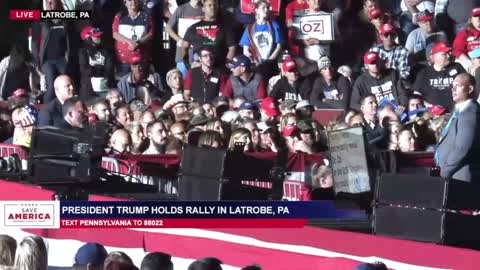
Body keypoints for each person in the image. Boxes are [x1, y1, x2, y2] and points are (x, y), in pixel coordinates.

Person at [435, 73, 480, 182]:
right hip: (453, 175)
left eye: (458, 86)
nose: (453, 89)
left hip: (459, 177)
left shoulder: (470, 113)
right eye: (452, 86)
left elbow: (462, 148)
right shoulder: (460, 112)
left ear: (469, 89)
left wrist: (444, 171)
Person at [31, 0, 74, 104]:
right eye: (47, 2)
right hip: (47, 61)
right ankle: (48, 111)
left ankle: (66, 108)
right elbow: (35, 42)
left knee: (65, 85)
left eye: (52, 2)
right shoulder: (40, 19)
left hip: (62, 59)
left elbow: (69, 40)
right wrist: (36, 61)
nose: (49, 4)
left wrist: (68, 57)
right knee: (50, 87)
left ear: (57, 3)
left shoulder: (65, 19)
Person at [182, 0, 236, 69]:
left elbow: (232, 48)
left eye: (215, 5)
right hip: (199, 68)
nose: (212, 7)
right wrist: (187, 63)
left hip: (219, 68)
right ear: (203, 9)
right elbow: (184, 45)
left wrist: (227, 63)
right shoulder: (193, 27)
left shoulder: (225, 27)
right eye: (209, 5)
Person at [413, 41, 465, 110]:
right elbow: (416, 95)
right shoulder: (424, 73)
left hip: (455, 110)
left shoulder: (457, 67)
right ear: (434, 57)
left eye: (449, 53)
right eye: (444, 54)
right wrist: (430, 107)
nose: (448, 56)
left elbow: (466, 86)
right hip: (431, 112)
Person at [239, 0, 284, 79]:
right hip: (255, 65)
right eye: (263, 8)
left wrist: (268, 62)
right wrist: (253, 61)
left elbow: (278, 47)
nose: (266, 10)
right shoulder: (250, 28)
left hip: (270, 64)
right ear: (256, 10)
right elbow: (245, 51)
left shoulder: (274, 25)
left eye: (267, 8)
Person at [112, 0, 154, 76]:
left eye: (135, 0)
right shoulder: (119, 16)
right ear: (125, 2)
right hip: (124, 59)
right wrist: (130, 42)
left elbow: (150, 33)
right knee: (125, 83)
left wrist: (138, 42)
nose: (133, 2)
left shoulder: (146, 15)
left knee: (142, 84)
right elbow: (115, 33)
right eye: (130, 0)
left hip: (141, 58)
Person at [165, 0, 204, 78]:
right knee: (182, 84)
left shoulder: (205, 9)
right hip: (182, 56)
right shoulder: (181, 9)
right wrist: (180, 41)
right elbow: (168, 28)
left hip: (201, 57)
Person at [78, 26, 115, 99]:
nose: (99, 37)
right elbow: (85, 70)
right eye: (95, 36)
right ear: (88, 38)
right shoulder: (83, 52)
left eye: (99, 36)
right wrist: (100, 69)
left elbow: (109, 70)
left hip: (105, 88)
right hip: (88, 90)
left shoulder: (106, 51)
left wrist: (94, 69)